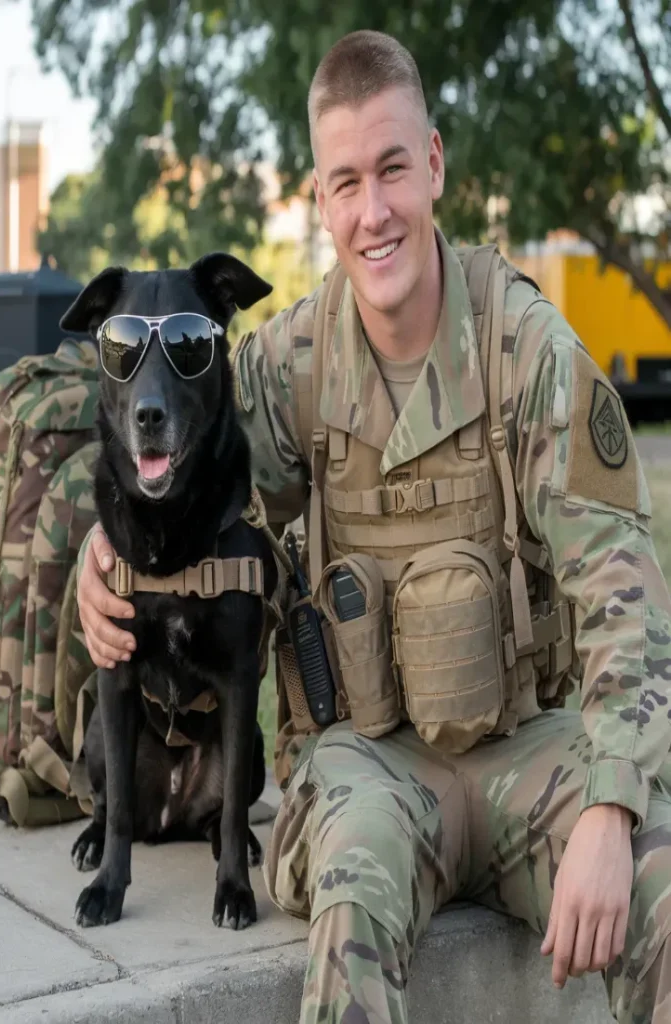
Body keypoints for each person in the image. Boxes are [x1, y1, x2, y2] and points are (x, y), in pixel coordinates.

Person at [76, 29, 671, 1024]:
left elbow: (627, 602)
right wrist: (104, 550)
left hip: (532, 752)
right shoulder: (286, 366)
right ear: (319, 200)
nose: (373, 209)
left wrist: (610, 809)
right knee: (349, 914)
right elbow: (169, 466)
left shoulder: (525, 349)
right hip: (368, 769)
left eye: (393, 168)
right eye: (345, 181)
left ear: (433, 163)